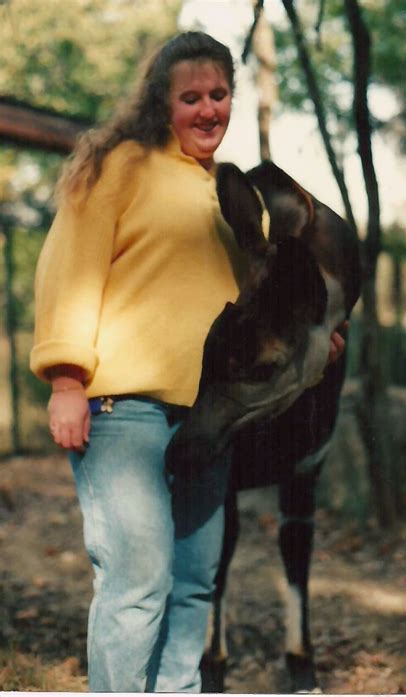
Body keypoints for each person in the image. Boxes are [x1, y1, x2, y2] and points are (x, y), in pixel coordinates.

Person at [31, 31, 346, 693]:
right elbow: (69, 270)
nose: (208, 110)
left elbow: (252, 308)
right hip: (123, 413)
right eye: (190, 97)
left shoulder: (227, 197)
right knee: (137, 584)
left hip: (206, 419)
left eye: (219, 95)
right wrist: (65, 377)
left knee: (194, 585)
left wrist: (311, 344)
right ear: (160, 102)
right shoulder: (120, 166)